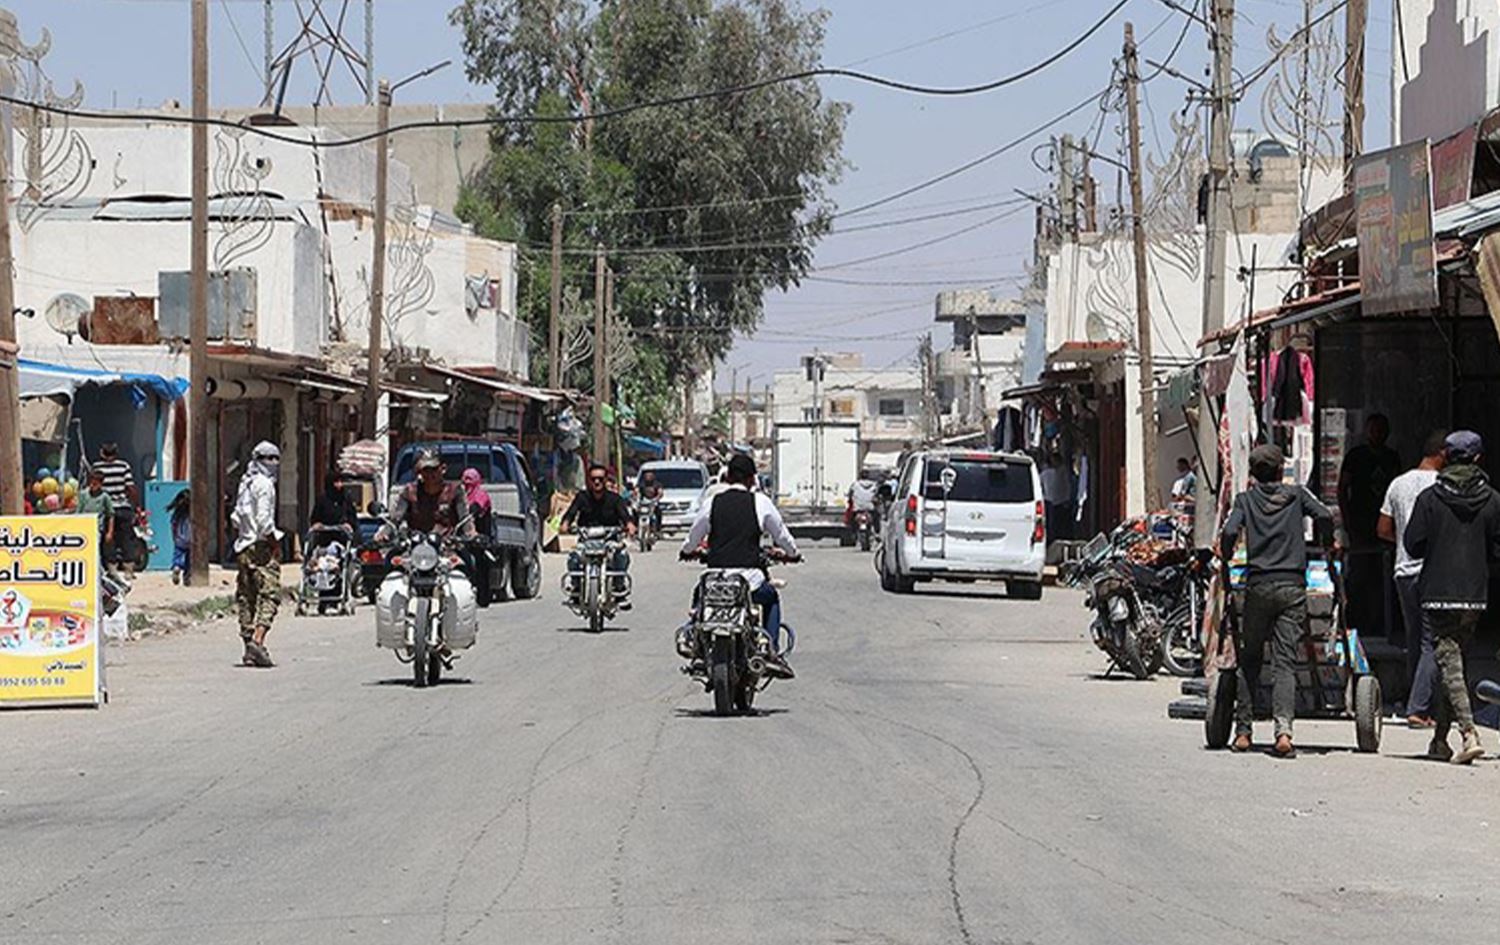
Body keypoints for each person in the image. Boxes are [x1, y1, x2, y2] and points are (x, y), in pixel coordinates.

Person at [1220, 444, 1335, 758]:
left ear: (1255, 473)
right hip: (1292, 587)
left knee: (1251, 658)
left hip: (1259, 586)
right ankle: (1283, 733)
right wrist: (1327, 542)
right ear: (1280, 470)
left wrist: (1226, 554)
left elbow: (1230, 530)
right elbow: (1324, 514)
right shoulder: (1297, 496)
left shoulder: (1245, 500)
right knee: (1284, 662)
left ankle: (1243, 732)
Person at [1403, 431, 1500, 765]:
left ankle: (1468, 732)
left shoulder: (1430, 498)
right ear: (1477, 459)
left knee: (1449, 661)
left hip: (1437, 591)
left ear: (1447, 457)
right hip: (1474, 594)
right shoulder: (1492, 499)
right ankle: (1439, 740)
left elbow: (1413, 543)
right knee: (1452, 662)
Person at [680, 453, 800, 678]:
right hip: (750, 581)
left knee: (700, 593)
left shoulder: (712, 503)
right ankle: (770, 649)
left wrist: (687, 551)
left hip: (716, 578)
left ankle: (694, 641)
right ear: (752, 479)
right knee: (771, 597)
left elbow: (694, 535)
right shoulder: (761, 503)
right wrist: (793, 554)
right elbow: (781, 534)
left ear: (727, 478)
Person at [1377, 429, 1447, 729]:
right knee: (1433, 639)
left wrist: (1404, 543)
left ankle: (1416, 698)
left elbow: (1382, 529)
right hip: (1432, 572)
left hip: (1404, 570)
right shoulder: (1442, 486)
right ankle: (1419, 707)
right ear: (1443, 453)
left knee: (1414, 637)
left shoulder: (1398, 483)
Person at [231, 442, 283, 668]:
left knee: (246, 596)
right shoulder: (264, 485)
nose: (273, 463)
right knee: (269, 594)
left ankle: (248, 649)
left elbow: (235, 517)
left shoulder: (246, 483)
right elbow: (264, 521)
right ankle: (257, 641)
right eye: (268, 458)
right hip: (260, 546)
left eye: (275, 458)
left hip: (243, 547)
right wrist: (274, 544)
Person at [561, 463, 636, 608]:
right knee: (574, 557)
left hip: (609, 541)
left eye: (600, 479)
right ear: (589, 480)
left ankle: (619, 590)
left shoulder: (615, 499)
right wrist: (565, 524)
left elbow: (625, 516)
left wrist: (630, 525)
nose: (597, 482)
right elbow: (571, 513)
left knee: (621, 556)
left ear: (606, 480)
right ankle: (576, 589)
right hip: (586, 540)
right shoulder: (582, 497)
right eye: (593, 479)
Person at [1338, 413, 1401, 547]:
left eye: (1381, 430)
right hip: (1360, 519)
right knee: (1361, 561)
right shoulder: (1355, 456)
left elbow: (1398, 488)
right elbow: (1342, 488)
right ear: (1367, 432)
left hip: (1385, 517)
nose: (1377, 434)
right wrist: (1347, 519)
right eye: (1373, 430)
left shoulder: (1391, 458)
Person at [386, 450, 473, 539]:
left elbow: (464, 518)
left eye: (434, 469)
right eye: (425, 469)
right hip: (415, 545)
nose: (430, 474)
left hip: (447, 545)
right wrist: (384, 533)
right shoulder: (410, 491)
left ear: (443, 469)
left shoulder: (454, 491)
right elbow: (396, 517)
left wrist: (471, 533)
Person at [93, 443, 138, 570]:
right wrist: (136, 505)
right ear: (116, 453)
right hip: (123, 507)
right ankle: (128, 566)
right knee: (127, 537)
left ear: (102, 453)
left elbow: (93, 486)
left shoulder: (97, 467)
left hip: (105, 508)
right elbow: (130, 487)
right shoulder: (123, 466)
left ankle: (111, 566)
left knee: (108, 538)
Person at [75, 468, 116, 549]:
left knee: (95, 548)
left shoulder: (105, 497)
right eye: (91, 483)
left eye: (95, 484)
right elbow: (78, 512)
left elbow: (111, 515)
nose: (92, 486)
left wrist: (110, 532)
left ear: (101, 484)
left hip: (97, 529)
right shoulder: (83, 494)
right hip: (83, 527)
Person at [1040, 451, 1075, 541]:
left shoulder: (1062, 471)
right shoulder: (1054, 472)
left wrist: (1067, 498)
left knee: (1059, 522)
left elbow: (1067, 485)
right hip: (1054, 501)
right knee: (1055, 522)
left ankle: (1058, 537)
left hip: (1061, 501)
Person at [168, 488, 192, 586]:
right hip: (191, 540)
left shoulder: (177, 515)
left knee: (177, 555)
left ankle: (176, 567)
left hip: (179, 539)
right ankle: (187, 576)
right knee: (189, 560)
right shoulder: (193, 515)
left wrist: (174, 537)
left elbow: (173, 526)